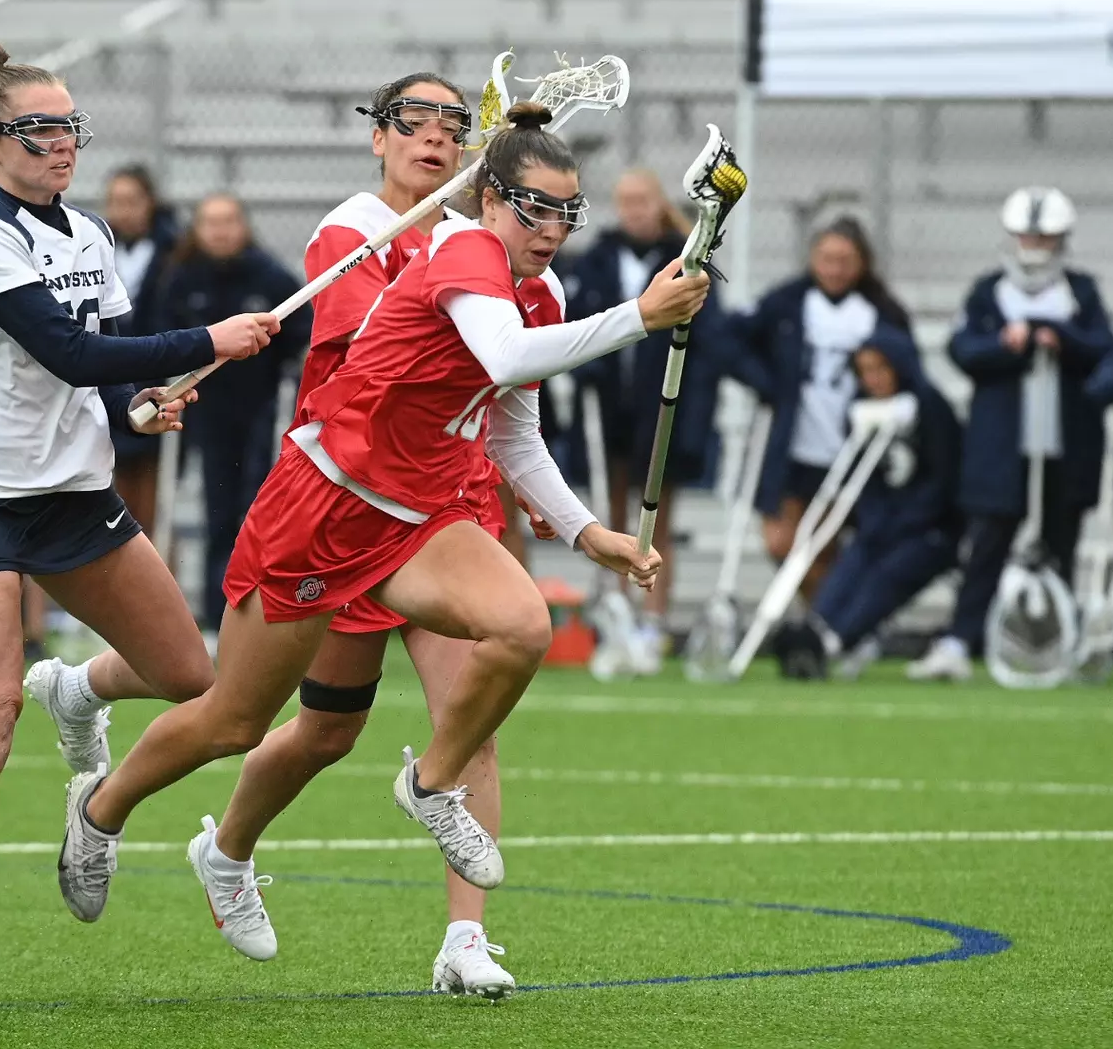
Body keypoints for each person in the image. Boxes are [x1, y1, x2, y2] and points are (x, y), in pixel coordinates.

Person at [56, 103, 706, 976]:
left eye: (566, 212)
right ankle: (102, 810)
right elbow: (505, 357)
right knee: (236, 720)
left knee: (520, 628)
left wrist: (587, 532)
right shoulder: (461, 251)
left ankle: (432, 794)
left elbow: (511, 428)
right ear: (490, 198)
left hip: (422, 513)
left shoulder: (540, 290)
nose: (551, 229)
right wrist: (639, 316)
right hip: (325, 506)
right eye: (534, 208)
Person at [0, 39, 279, 1010]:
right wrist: (210, 339)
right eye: (39, 129)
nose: (62, 143)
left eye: (69, 125)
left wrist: (141, 407)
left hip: (74, 492)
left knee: (190, 677)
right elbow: (65, 353)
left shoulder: (86, 232)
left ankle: (75, 689)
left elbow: (102, 365)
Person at [158, 72, 516, 995]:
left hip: (447, 507)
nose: (433, 137)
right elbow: (380, 360)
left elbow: (502, 384)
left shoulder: (478, 244)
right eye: (413, 121)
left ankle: (465, 943)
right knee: (320, 733)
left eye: (451, 124)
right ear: (378, 137)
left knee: (468, 719)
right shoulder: (351, 230)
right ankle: (225, 848)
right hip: (350, 509)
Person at [907, 187, 1113, 680]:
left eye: (1044, 238)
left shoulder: (1081, 293)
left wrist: (1059, 337)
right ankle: (961, 640)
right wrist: (1009, 344)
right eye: (1028, 236)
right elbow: (964, 350)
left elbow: (1104, 349)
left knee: (1060, 544)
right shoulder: (989, 292)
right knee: (988, 544)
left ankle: (1055, 645)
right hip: (1002, 449)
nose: (1035, 246)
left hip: (1064, 447)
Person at [563, 168, 722, 669]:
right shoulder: (599, 259)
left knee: (656, 517)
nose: (633, 211)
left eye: (642, 201)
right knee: (610, 514)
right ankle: (616, 614)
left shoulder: (687, 258)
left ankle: (653, 620)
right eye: (625, 201)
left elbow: (708, 340)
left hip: (662, 405)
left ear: (658, 204)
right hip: (611, 406)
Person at [719, 217, 911, 602]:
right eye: (826, 259)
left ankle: (825, 620)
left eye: (845, 261)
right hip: (792, 447)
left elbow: (905, 369)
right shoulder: (788, 302)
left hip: (846, 450)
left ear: (862, 263)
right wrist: (766, 382)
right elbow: (728, 338)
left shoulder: (880, 312)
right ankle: (826, 616)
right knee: (781, 543)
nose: (834, 270)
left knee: (822, 544)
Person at [161, 192, 311, 630]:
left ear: (244, 226)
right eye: (210, 223)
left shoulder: (271, 278)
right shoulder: (182, 279)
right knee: (218, 511)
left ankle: (254, 610)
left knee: (256, 510)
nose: (220, 232)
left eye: (228, 221)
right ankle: (215, 614)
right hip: (205, 413)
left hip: (262, 411)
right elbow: (161, 338)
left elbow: (301, 339)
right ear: (197, 230)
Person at [783, 326, 962, 678]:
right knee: (851, 564)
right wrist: (876, 521)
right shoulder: (860, 412)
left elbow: (945, 480)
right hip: (882, 526)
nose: (873, 379)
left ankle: (836, 641)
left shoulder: (930, 406)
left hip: (930, 530)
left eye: (881, 369)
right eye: (865, 371)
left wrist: (905, 521)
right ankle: (816, 631)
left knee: (888, 573)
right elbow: (864, 484)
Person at [103, 165, 180, 533]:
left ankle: (155, 557)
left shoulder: (172, 251)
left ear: (149, 202)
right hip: (111, 375)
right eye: (116, 201)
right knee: (115, 487)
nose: (124, 210)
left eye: (131, 201)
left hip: (156, 377)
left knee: (152, 489)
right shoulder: (97, 248)